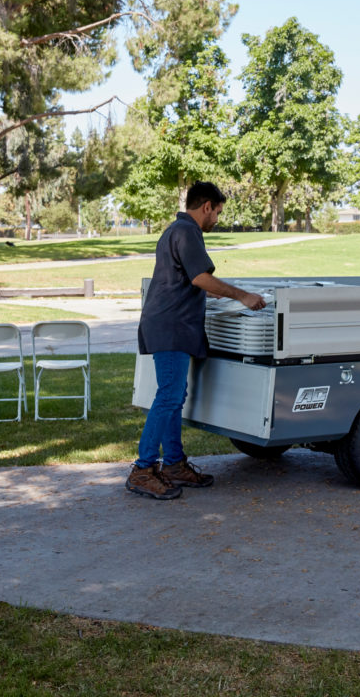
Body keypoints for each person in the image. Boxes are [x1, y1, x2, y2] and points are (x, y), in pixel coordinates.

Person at [127, 181, 266, 500]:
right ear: (206, 206)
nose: (217, 218)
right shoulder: (188, 231)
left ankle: (174, 464)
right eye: (217, 212)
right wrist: (241, 296)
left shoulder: (175, 229)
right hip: (171, 325)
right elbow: (199, 277)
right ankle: (142, 470)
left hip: (168, 322)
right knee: (168, 396)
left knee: (174, 395)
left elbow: (186, 279)